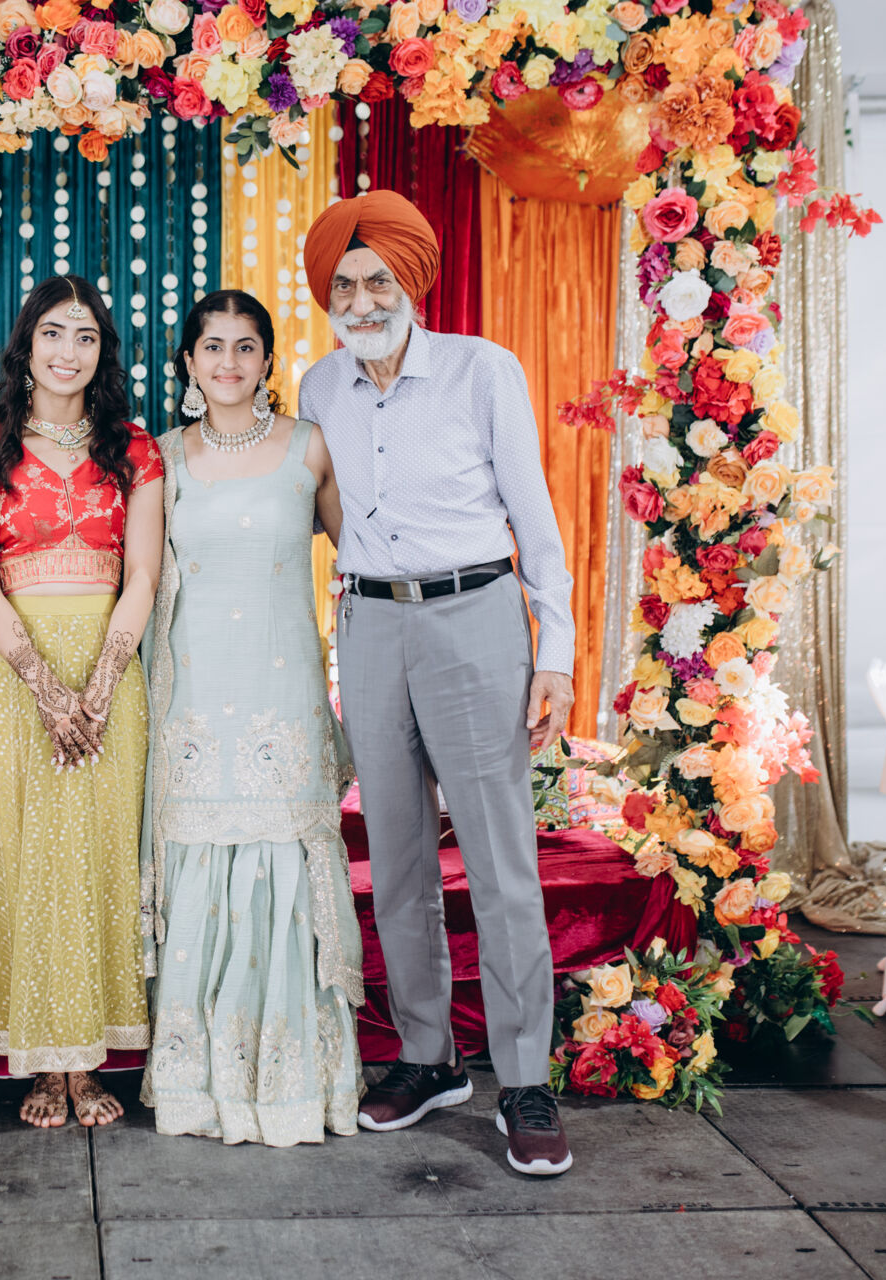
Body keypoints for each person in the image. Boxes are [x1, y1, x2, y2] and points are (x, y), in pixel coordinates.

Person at [297, 191, 578, 1177]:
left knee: (501, 858)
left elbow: (536, 520)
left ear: (411, 281)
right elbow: (316, 510)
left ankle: (525, 1078)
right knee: (399, 857)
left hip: (475, 615)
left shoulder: (481, 369)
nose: (362, 300)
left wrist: (556, 655)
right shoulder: (319, 386)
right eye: (344, 285)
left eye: (378, 280)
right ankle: (428, 1056)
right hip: (370, 624)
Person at [140, 290, 365, 1146]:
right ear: (188, 363)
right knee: (200, 870)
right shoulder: (162, 458)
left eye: (245, 347)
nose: (229, 362)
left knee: (280, 868)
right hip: (194, 701)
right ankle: (199, 1083)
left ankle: (295, 1083)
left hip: (282, 699)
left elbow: (362, 560)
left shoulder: (309, 447)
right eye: (213, 347)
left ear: (269, 361)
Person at [0, 275, 164, 1129]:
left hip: (110, 669)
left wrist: (100, 687)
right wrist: (45, 688)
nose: (68, 351)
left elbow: (142, 574)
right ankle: (40, 1064)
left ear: (102, 352)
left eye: (85, 336)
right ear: (26, 345)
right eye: (52, 333)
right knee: (24, 860)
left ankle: (88, 1061)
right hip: (15, 676)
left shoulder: (135, 450)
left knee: (100, 858)